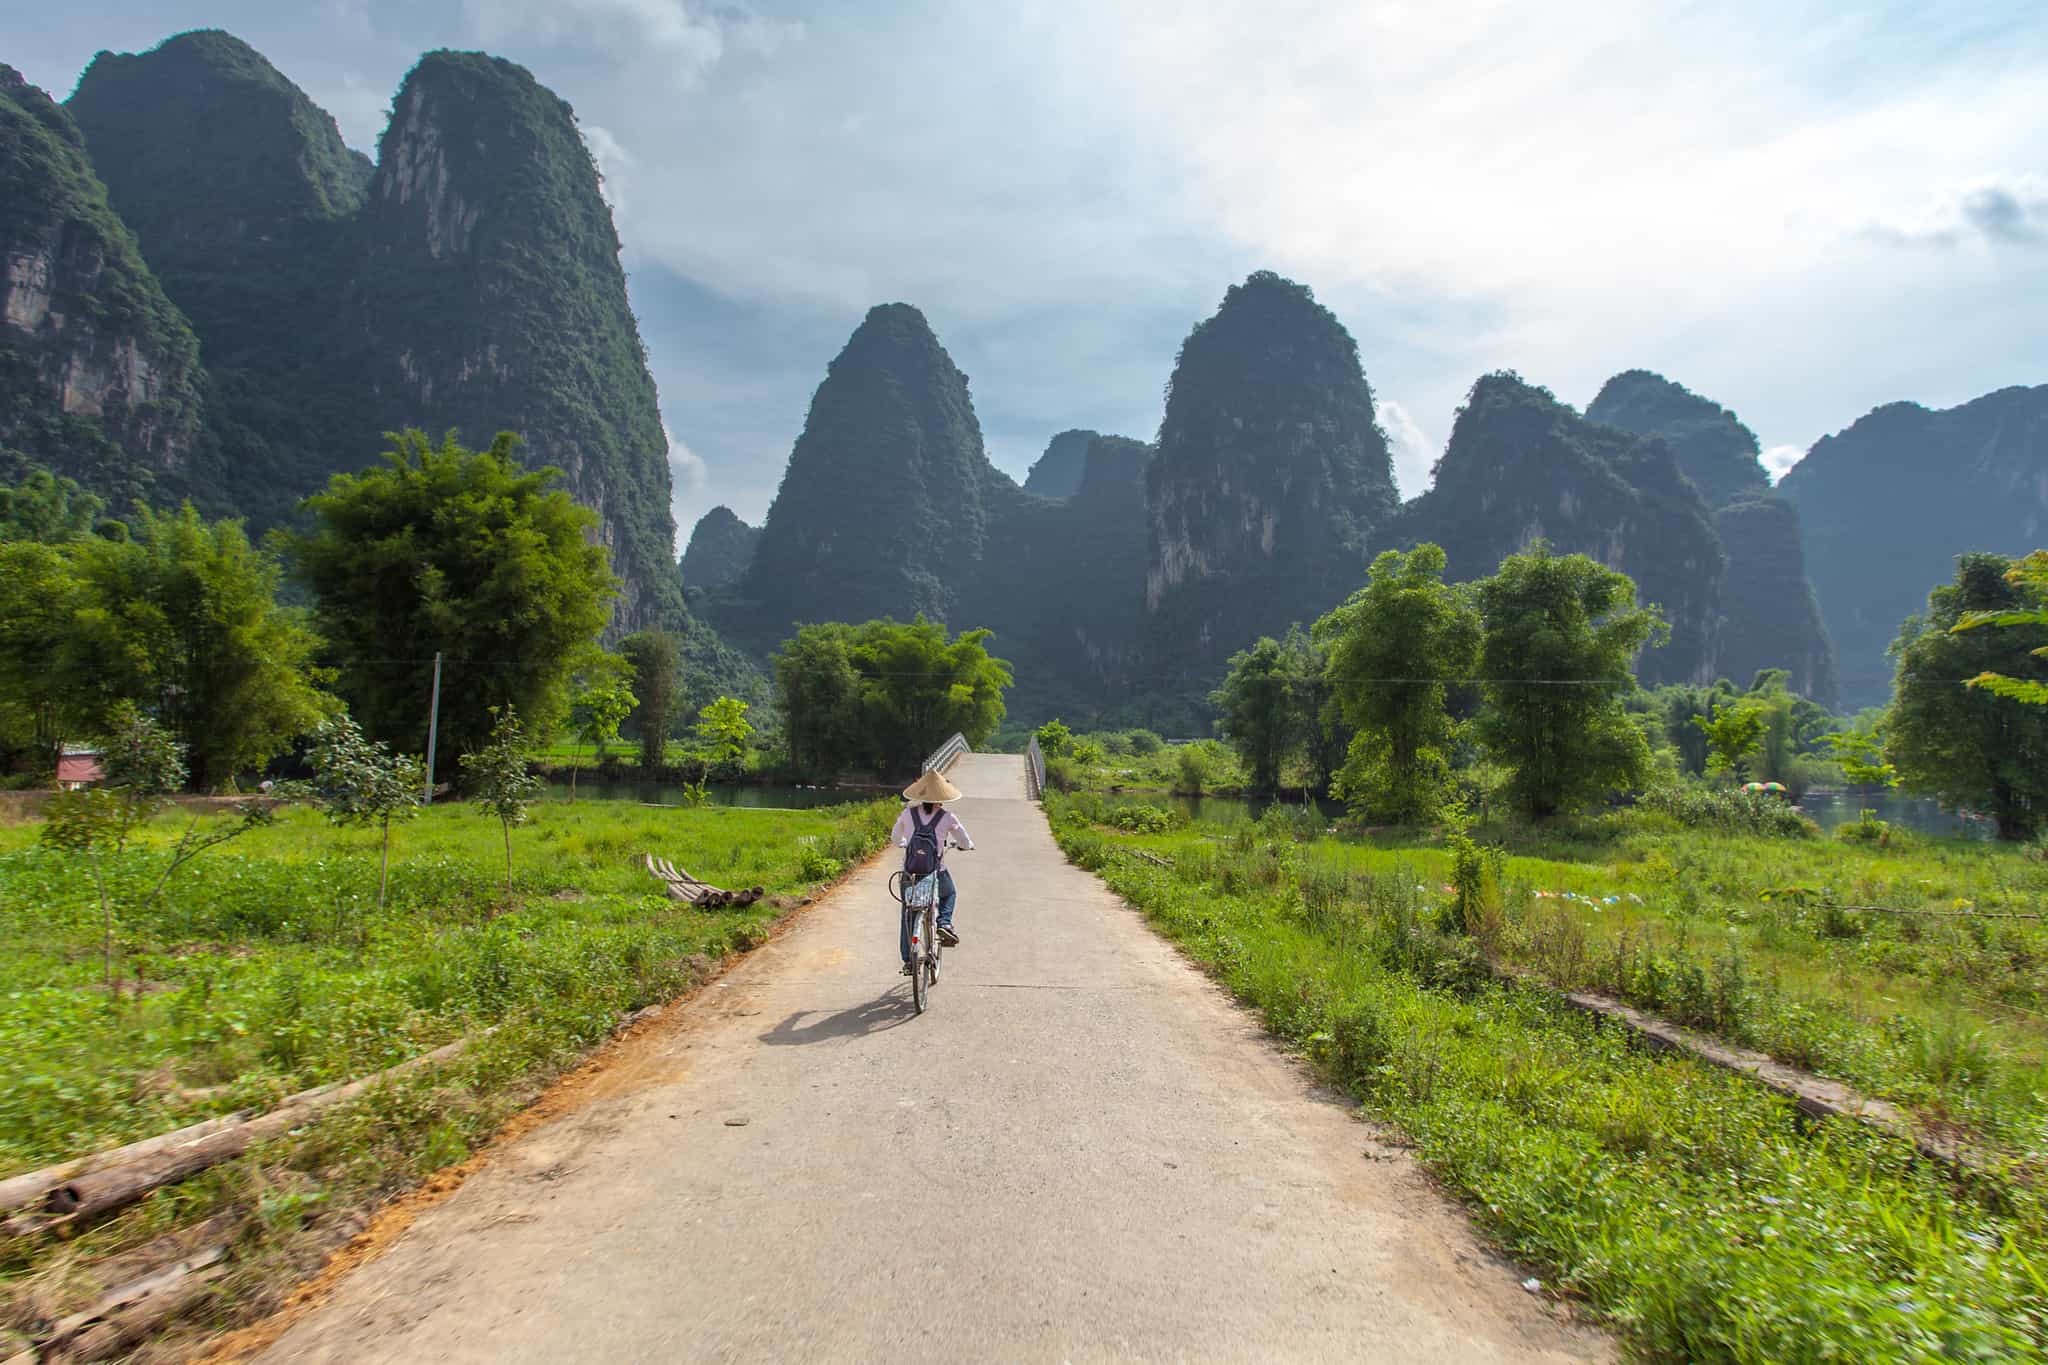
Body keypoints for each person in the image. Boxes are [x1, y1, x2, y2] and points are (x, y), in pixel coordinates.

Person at [891, 770, 974, 972]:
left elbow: (895, 838)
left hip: (910, 873)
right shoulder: (947, 817)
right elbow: (964, 839)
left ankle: (908, 960)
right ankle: (944, 923)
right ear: (942, 797)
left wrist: (904, 843)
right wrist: (966, 845)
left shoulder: (907, 814)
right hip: (935, 872)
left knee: (908, 913)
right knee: (949, 893)